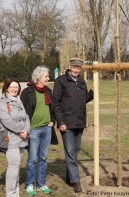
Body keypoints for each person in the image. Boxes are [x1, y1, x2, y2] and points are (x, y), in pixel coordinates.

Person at [52, 58, 94, 193]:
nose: (76, 70)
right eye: (74, 67)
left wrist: (92, 93)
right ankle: (76, 181)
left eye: (78, 68)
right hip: (67, 123)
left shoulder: (82, 82)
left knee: (75, 151)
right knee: (70, 151)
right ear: (69, 67)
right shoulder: (61, 81)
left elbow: (83, 100)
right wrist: (61, 122)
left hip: (79, 122)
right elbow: (55, 103)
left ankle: (69, 177)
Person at [20, 66, 55, 196]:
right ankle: (29, 184)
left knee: (43, 158)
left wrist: (53, 121)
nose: (48, 78)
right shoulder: (27, 92)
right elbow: (22, 112)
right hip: (33, 130)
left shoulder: (49, 91)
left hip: (47, 129)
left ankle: (41, 184)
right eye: (46, 76)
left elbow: (53, 108)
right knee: (32, 159)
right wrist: (25, 129)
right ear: (38, 78)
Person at [0, 78, 30, 197]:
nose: (14, 89)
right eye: (12, 87)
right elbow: (6, 121)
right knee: (13, 166)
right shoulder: (2, 102)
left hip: (22, 138)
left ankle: (15, 192)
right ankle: (11, 194)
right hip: (10, 139)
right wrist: (20, 130)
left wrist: (26, 130)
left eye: (16, 87)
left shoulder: (18, 100)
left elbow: (26, 116)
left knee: (16, 166)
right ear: (7, 88)